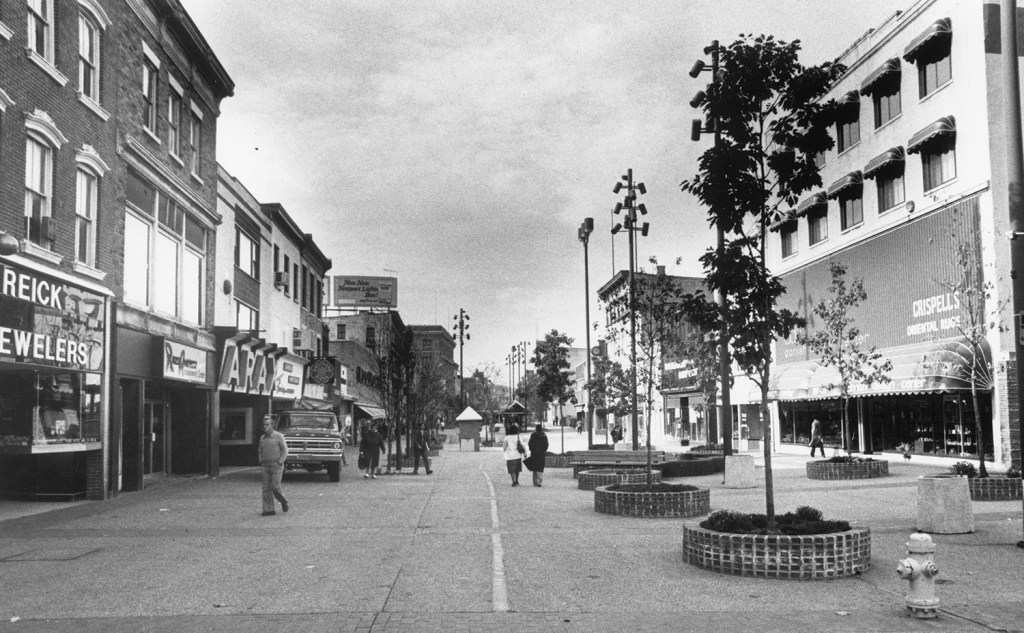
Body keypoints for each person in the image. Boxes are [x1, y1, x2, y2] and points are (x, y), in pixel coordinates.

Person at [258, 416, 289, 516]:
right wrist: (261, 461)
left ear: (272, 426)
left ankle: (283, 501)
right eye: (264, 424)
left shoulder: (278, 436)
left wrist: (280, 461)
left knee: (275, 487)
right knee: (266, 488)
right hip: (265, 465)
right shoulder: (262, 438)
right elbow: (260, 450)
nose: (265, 426)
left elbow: (285, 449)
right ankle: (268, 509)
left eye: (267, 425)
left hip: (276, 465)